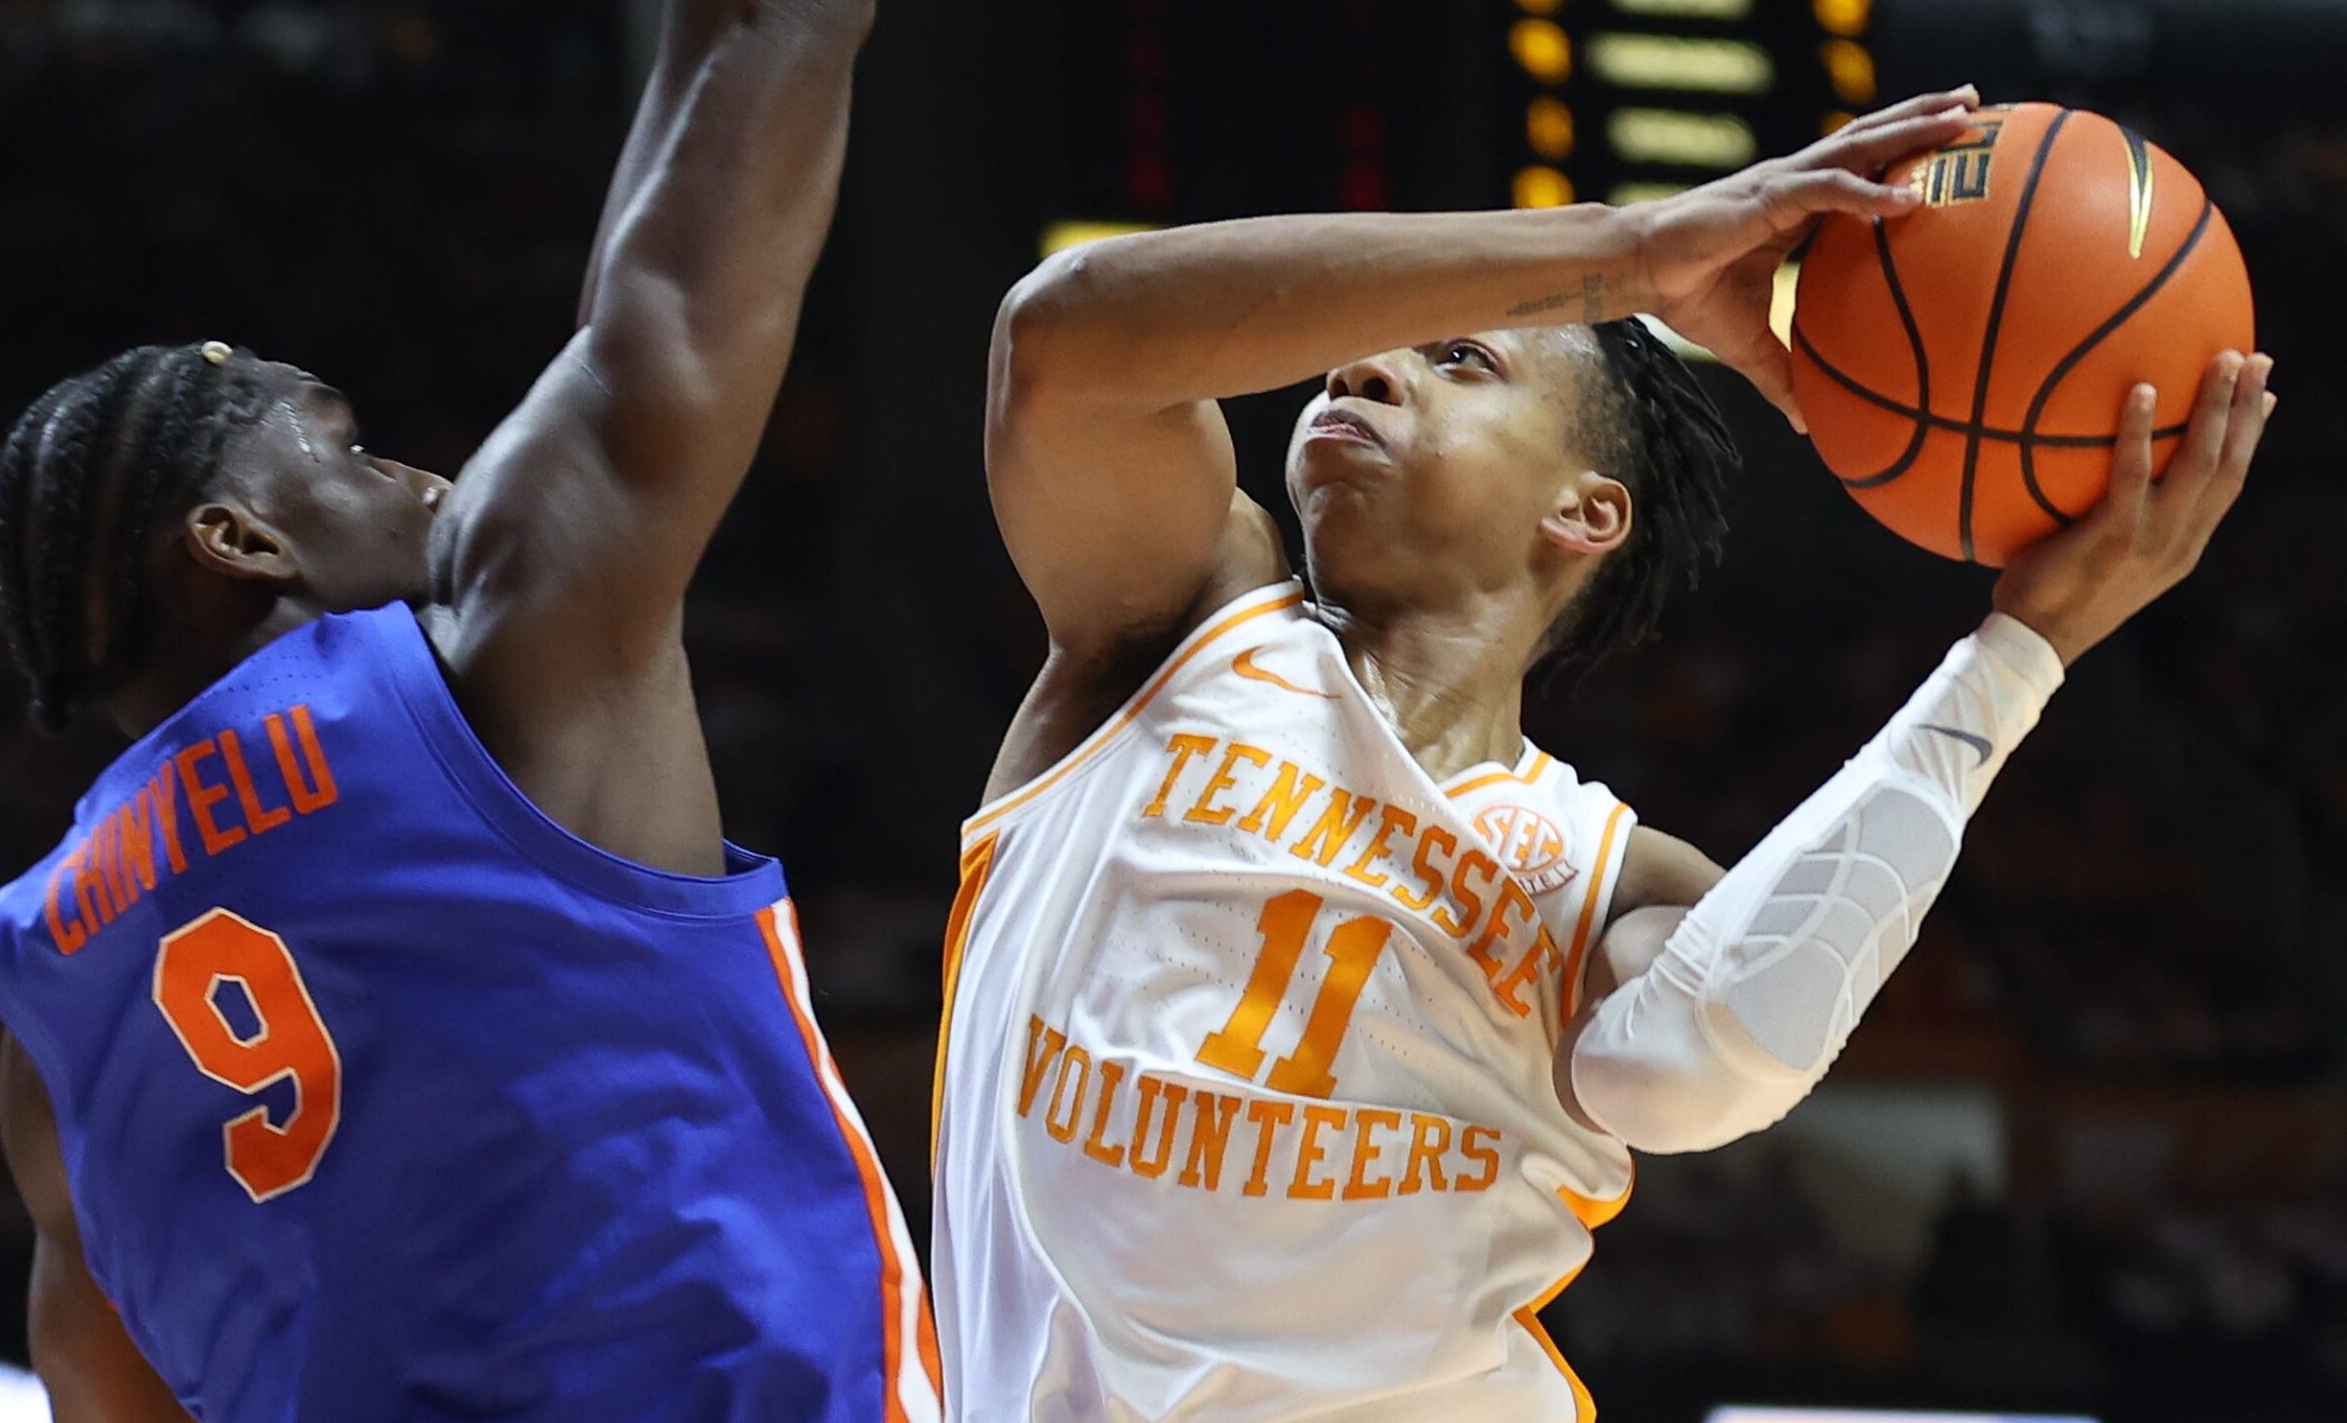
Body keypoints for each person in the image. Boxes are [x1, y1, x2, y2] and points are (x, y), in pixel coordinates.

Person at [931, 88, 2276, 1420]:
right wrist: (1629, 253)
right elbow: (1061, 341)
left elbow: (1699, 1065)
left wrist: (2019, 650)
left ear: (1586, 511)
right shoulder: (1175, 629)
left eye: (1458, 359)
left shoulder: (1607, 880)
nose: (1357, 367)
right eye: (1361, 348)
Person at [0, 0, 936, 1416]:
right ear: (238, 539)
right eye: (338, 448)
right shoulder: (491, 646)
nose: (414, 469)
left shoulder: (43, 1001)